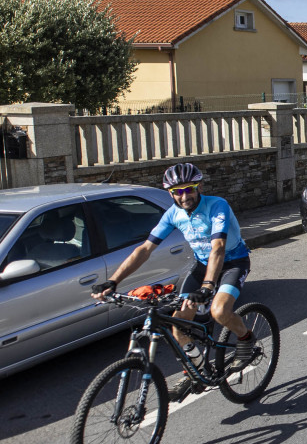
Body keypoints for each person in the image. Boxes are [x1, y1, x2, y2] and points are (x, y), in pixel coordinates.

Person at [91, 162, 255, 402]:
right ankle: (195, 372)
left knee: (220, 311)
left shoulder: (217, 205)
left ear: (198, 187)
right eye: (177, 192)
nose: (184, 195)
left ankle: (246, 339)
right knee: (178, 324)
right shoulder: (173, 214)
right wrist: (113, 281)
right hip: (202, 266)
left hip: (233, 262)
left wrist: (208, 286)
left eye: (189, 189)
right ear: (170, 193)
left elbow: (218, 246)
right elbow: (145, 249)